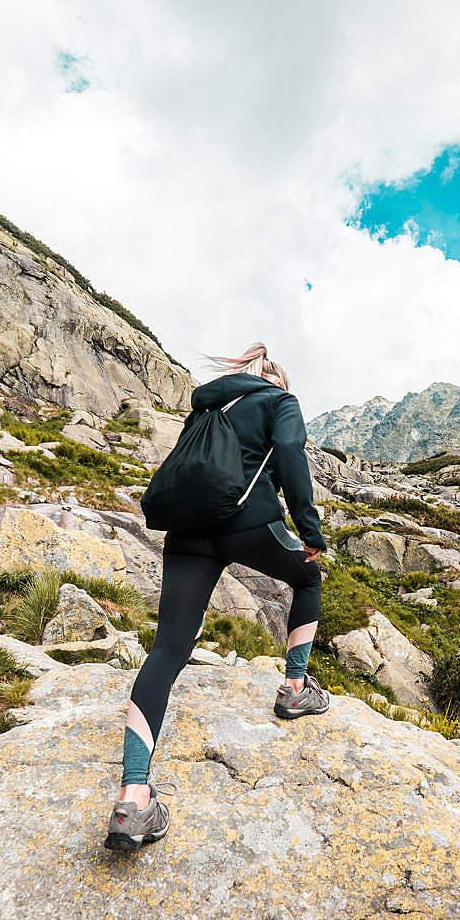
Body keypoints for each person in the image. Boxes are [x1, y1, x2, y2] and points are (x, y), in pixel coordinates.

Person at [104, 343, 329, 850]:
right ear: (278, 380)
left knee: (168, 649)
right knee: (309, 578)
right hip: (248, 525)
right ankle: (295, 689)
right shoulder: (279, 401)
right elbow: (292, 459)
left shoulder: (208, 406)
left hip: (187, 532)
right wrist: (310, 534)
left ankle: (133, 798)